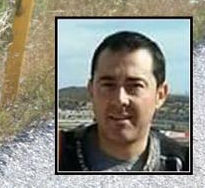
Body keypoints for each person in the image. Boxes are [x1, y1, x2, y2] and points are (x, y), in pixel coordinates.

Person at [59, 31, 189, 171]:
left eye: (135, 86)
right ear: (91, 90)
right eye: (108, 85)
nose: (120, 99)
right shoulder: (55, 154)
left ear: (160, 95)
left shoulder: (182, 165)